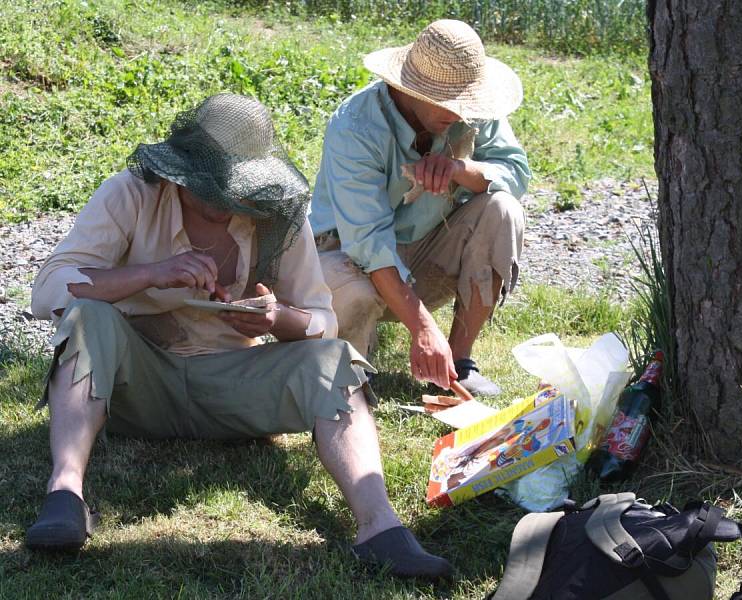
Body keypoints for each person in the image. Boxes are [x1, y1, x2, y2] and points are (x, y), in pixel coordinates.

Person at [25, 93, 452, 579]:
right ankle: (65, 494)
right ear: (179, 172)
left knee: (335, 360)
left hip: (235, 390)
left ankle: (379, 526)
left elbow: (321, 321)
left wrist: (275, 319)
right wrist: (151, 274)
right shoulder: (132, 192)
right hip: (136, 387)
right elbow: (50, 289)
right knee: (87, 317)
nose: (221, 203)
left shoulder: (273, 212)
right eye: (206, 189)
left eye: (232, 190)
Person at [310, 19, 531, 397]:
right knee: (357, 293)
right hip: (348, 260)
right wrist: (423, 329)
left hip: (426, 256)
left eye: (467, 103)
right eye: (448, 103)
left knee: (504, 209)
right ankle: (352, 369)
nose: (461, 114)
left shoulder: (474, 112)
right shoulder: (357, 127)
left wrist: (462, 169)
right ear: (408, 89)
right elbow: (369, 246)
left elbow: (516, 172)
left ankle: (458, 365)